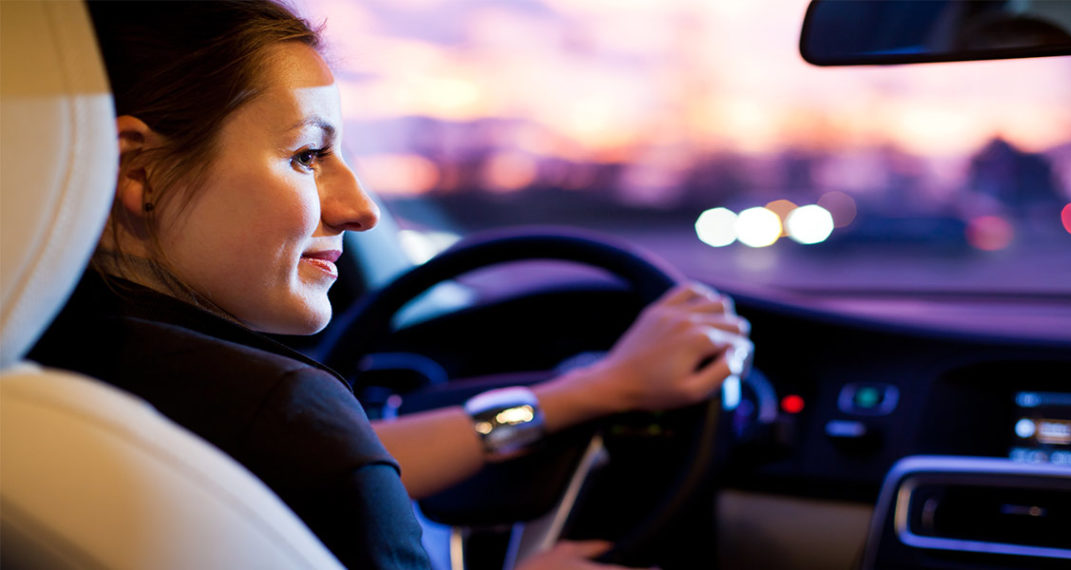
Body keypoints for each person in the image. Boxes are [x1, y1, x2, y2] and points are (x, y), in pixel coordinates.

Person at [30, 1, 753, 568]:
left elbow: (352, 456)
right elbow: (325, 452)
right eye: (308, 156)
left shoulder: (53, 361)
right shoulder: (281, 415)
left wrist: (592, 393)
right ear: (137, 170)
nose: (361, 208)